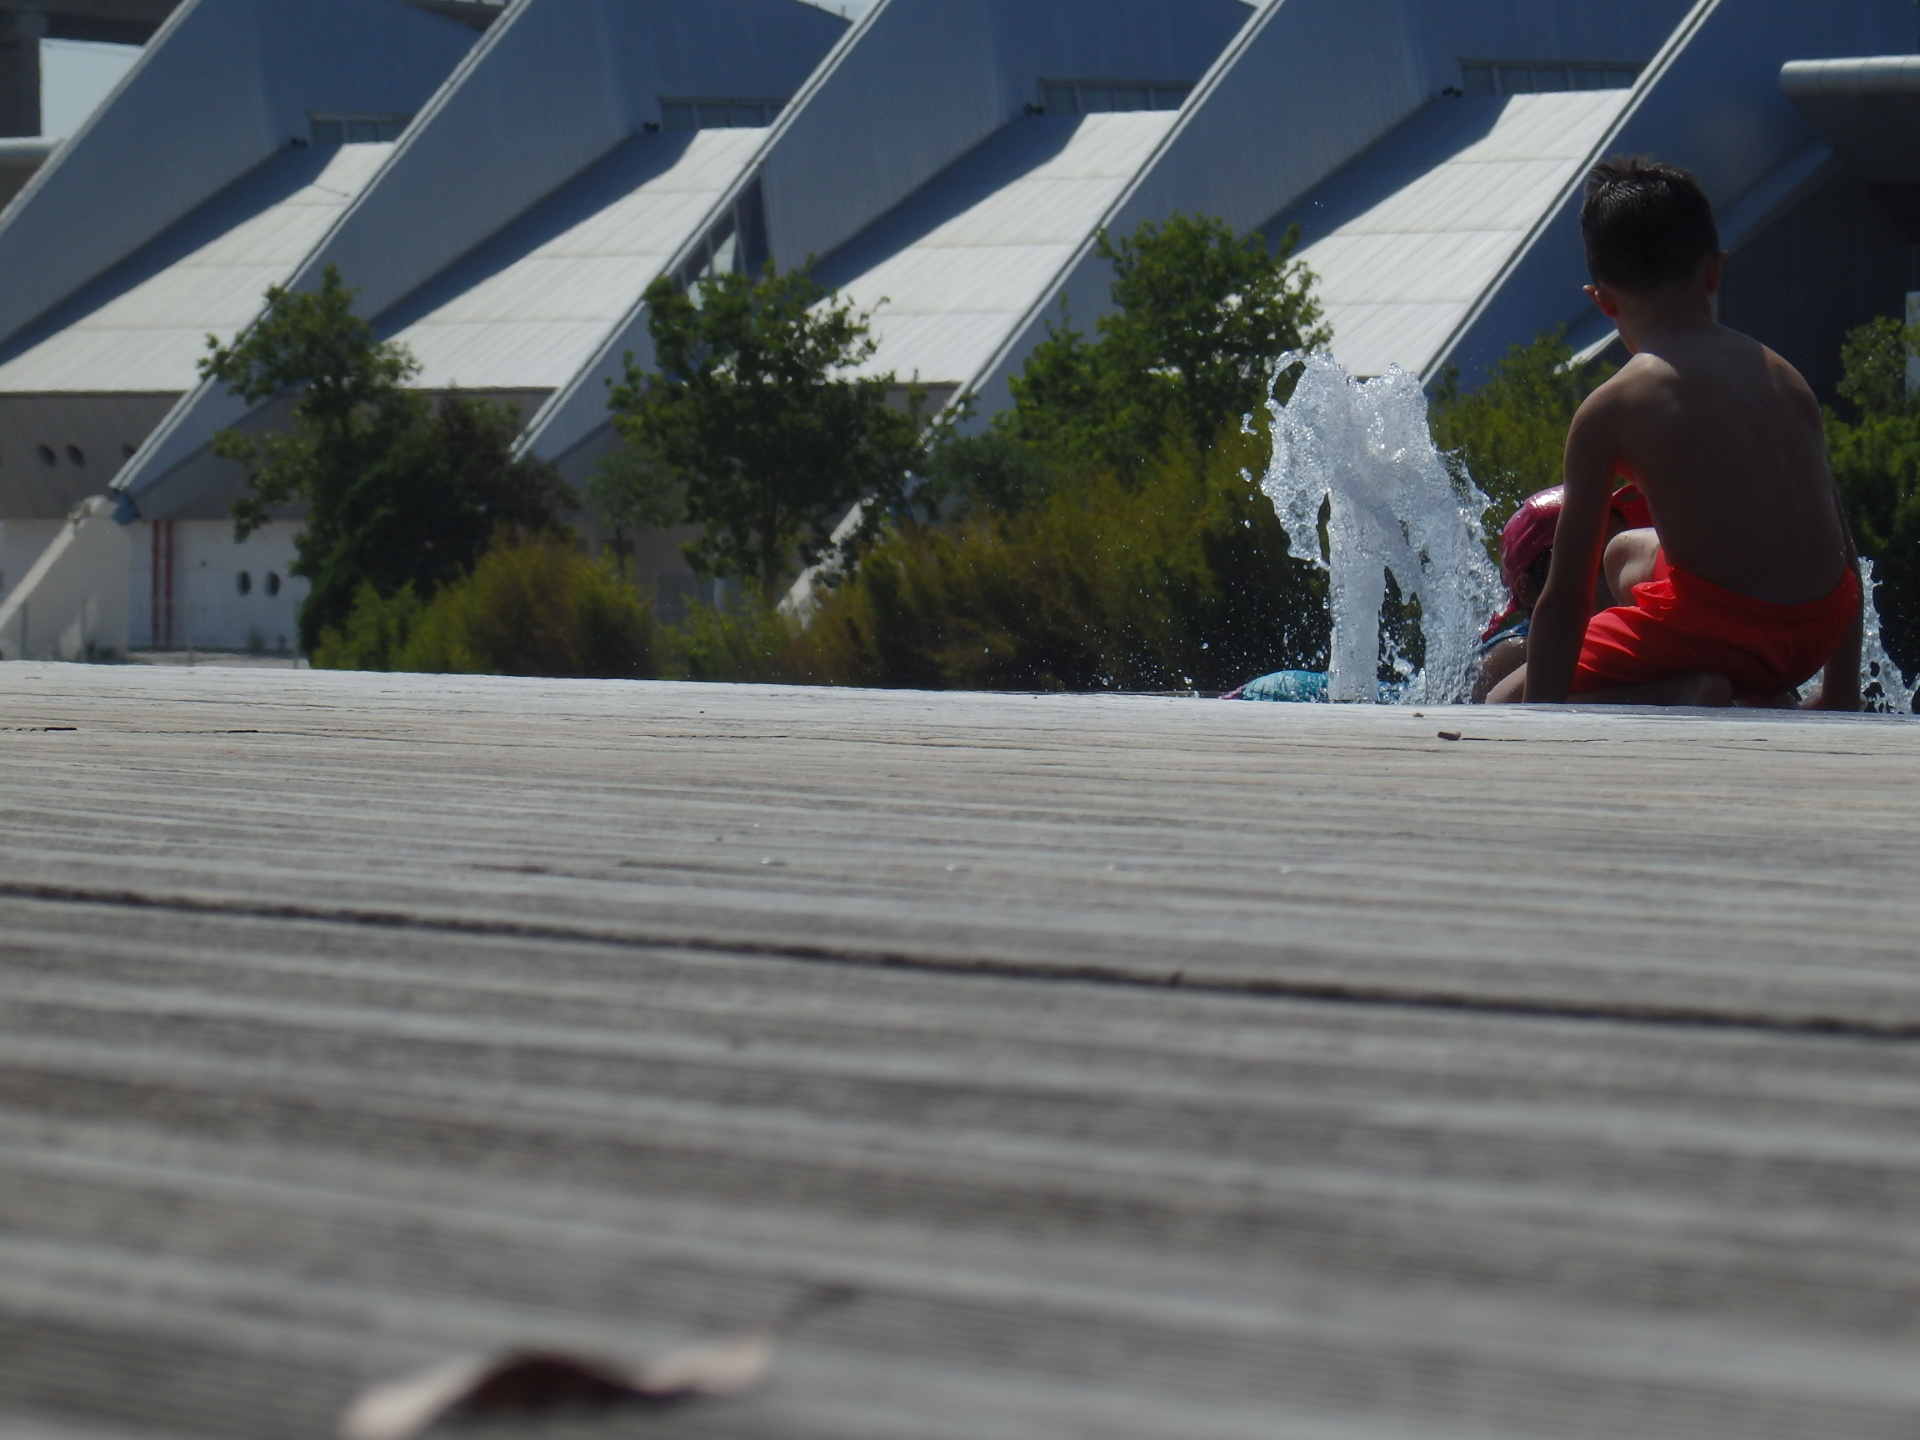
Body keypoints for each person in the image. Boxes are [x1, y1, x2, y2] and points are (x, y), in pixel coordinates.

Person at [1488, 157, 1861, 709]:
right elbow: (1843, 551)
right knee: (1623, 553)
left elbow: (1565, 599)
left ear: (1602, 300)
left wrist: (1541, 712)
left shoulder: (1610, 408)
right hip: (1817, 629)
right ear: (1714, 271)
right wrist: (1839, 694)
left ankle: (1686, 690)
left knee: (1503, 699)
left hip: (1724, 634)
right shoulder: (1784, 374)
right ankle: (1755, 690)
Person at [1472, 483, 1651, 702]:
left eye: (1622, 556)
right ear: (1529, 591)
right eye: (1592, 563)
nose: (1617, 575)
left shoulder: (1628, 635)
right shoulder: (1514, 655)